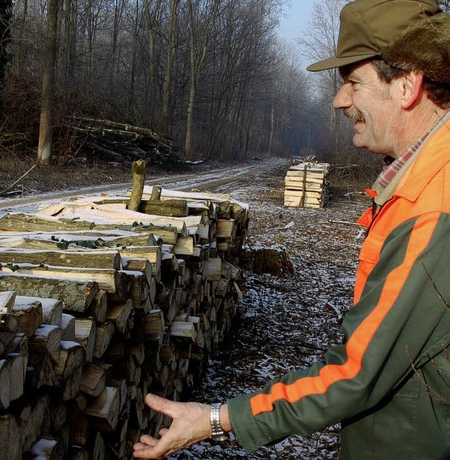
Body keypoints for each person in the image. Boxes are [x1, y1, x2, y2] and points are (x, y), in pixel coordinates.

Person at [133, 0, 450, 458]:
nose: (340, 100)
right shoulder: (420, 181)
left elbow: (357, 373)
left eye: (353, 82)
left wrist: (219, 419)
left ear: (406, 85)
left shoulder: (434, 206)